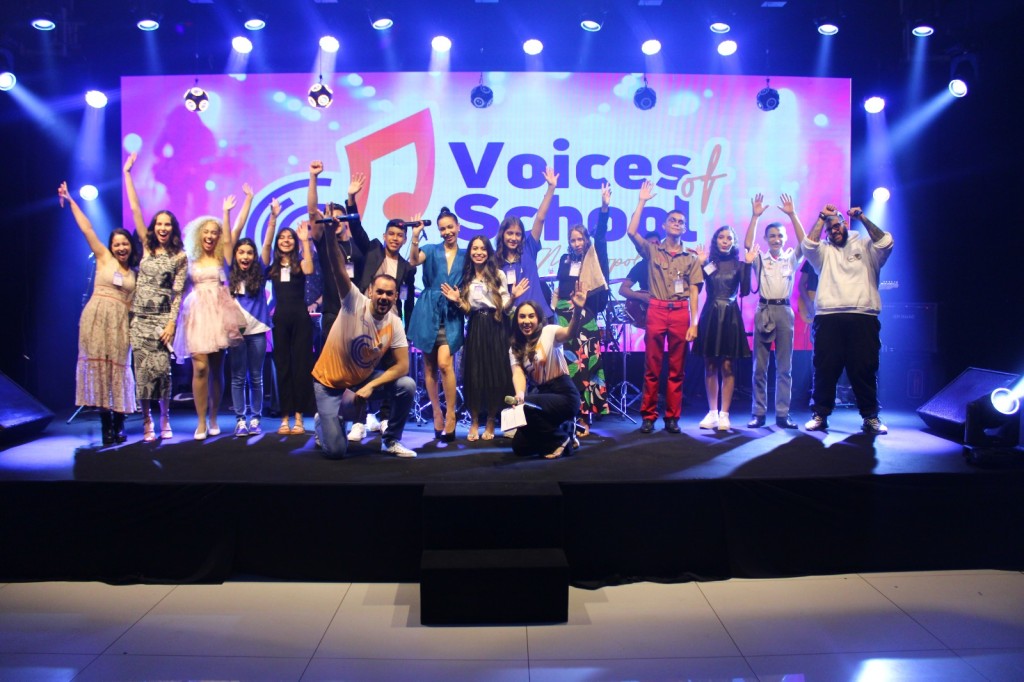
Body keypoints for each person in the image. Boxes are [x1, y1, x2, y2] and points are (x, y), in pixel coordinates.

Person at [311, 219, 418, 459]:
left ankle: (390, 440)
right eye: (379, 292)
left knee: (406, 385)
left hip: (360, 380)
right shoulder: (353, 302)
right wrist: (330, 236)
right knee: (337, 452)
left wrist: (371, 386)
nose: (384, 297)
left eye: (389, 293)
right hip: (330, 383)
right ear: (370, 291)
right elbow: (337, 267)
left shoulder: (394, 322)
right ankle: (324, 421)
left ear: (395, 297)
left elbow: (402, 366)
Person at [802, 204, 894, 434]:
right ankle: (820, 415)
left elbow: (885, 242)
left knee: (864, 369)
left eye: (837, 225)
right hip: (829, 316)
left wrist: (862, 217)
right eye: (829, 228)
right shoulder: (823, 251)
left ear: (845, 223)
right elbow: (808, 245)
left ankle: (870, 417)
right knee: (824, 369)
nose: (833, 231)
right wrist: (822, 217)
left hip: (862, 315)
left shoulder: (865, 245)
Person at [60, 181, 139, 445]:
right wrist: (71, 201)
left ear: (131, 246)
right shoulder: (104, 258)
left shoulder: (134, 274)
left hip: (120, 323)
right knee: (101, 370)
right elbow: (87, 228)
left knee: (119, 369)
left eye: (125, 244)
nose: (121, 248)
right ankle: (106, 424)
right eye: (117, 244)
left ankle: (119, 422)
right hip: (96, 317)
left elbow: (132, 304)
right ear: (111, 246)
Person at [626, 180, 703, 434]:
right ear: (665, 225)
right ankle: (648, 416)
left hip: (680, 311)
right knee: (652, 366)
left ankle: (672, 417)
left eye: (681, 222)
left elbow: (694, 291)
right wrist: (642, 201)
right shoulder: (653, 251)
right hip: (657, 310)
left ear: (684, 228)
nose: (677, 224)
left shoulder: (691, 258)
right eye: (673, 220)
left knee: (677, 369)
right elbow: (631, 231)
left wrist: (694, 323)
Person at [123, 152, 187, 442]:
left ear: (173, 228)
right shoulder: (147, 249)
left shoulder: (180, 256)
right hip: (140, 319)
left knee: (162, 372)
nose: (162, 228)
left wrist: (172, 324)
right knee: (142, 372)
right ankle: (146, 420)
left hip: (162, 320)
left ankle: (165, 417)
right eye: (159, 224)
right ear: (153, 227)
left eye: (167, 225)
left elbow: (177, 294)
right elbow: (135, 208)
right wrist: (127, 174)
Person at [344, 191, 418, 442]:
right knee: (360, 371)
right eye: (392, 234)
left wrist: (408, 328)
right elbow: (356, 228)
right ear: (385, 236)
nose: (395, 238)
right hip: (364, 320)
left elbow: (408, 299)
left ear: (404, 239)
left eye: (400, 235)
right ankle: (358, 421)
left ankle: (385, 418)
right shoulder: (374, 249)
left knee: (390, 370)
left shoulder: (406, 267)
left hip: (391, 324)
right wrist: (351, 200)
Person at [173, 198, 245, 439]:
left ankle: (214, 417)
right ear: (198, 234)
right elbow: (180, 288)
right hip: (196, 313)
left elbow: (235, 231)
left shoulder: (221, 256)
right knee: (200, 367)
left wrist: (230, 211)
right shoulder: (189, 258)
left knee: (216, 368)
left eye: (214, 232)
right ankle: (201, 421)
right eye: (206, 231)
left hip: (218, 312)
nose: (210, 235)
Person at [552, 183, 612, 434]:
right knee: (567, 368)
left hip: (586, 318)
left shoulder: (594, 256)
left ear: (586, 239)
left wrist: (604, 208)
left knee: (585, 367)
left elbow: (601, 235)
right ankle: (568, 415)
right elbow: (560, 288)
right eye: (573, 239)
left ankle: (585, 418)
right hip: (564, 318)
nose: (577, 243)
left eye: (580, 239)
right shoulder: (565, 260)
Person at [440, 236, 514, 440]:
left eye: (483, 249)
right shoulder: (466, 276)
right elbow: (467, 309)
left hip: (496, 325)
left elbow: (505, 306)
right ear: (470, 252)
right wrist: (457, 301)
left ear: (488, 252)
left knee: (494, 375)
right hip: (475, 325)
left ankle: (490, 421)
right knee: (474, 375)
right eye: (475, 248)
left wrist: (514, 297)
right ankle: (474, 422)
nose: (479, 252)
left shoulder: (498, 274)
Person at [745, 193, 806, 429]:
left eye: (780, 235)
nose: (776, 239)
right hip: (764, 310)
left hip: (784, 311)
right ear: (766, 239)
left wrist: (792, 214)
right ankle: (758, 413)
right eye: (772, 236)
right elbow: (748, 244)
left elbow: (805, 244)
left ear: (785, 238)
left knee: (784, 368)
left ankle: (782, 414)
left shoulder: (791, 258)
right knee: (759, 367)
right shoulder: (759, 258)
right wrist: (755, 216)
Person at [406, 207, 466, 441]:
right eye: (442, 228)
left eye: (450, 227)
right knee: (429, 367)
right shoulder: (430, 249)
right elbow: (413, 261)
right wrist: (415, 236)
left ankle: (451, 414)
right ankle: (436, 412)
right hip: (428, 310)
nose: (447, 232)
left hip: (451, 313)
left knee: (444, 363)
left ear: (458, 227)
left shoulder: (466, 255)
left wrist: (461, 299)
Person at [508, 291, 587, 459]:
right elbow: (518, 374)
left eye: (531, 316)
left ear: (538, 318)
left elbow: (569, 333)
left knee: (527, 406)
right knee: (519, 447)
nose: (526, 321)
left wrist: (578, 311)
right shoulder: (515, 348)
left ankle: (560, 440)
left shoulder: (549, 332)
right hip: (543, 395)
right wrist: (520, 395)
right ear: (517, 320)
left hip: (564, 394)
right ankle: (566, 429)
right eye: (522, 317)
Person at [693, 226, 755, 431]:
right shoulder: (709, 263)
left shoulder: (739, 265)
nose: (725, 241)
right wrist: (701, 264)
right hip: (710, 314)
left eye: (729, 238)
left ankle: (724, 414)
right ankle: (712, 413)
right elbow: (697, 287)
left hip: (730, 316)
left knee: (728, 366)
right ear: (716, 240)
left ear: (734, 242)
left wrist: (749, 264)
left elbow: (745, 291)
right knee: (710, 365)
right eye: (721, 237)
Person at [261, 209, 316, 435]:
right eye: (282, 238)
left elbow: (310, 269)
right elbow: (265, 247)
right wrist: (273, 220)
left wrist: (305, 241)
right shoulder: (272, 266)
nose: (286, 240)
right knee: (282, 367)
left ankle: (299, 417)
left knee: (300, 367)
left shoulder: (300, 262)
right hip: (280, 319)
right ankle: (284, 417)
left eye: (289, 237)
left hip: (301, 318)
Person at [224, 184, 267, 437]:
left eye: (249, 252)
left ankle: (255, 419)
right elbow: (231, 235)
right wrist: (229, 212)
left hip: (258, 331)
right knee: (238, 377)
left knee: (256, 377)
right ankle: (240, 419)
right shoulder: (229, 268)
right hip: (235, 331)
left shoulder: (260, 270)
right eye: (241, 252)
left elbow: (268, 242)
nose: (245, 256)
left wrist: (273, 218)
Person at [307, 161, 365, 348]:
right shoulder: (325, 243)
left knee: (357, 358)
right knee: (334, 359)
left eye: (339, 217)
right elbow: (312, 213)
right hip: (333, 311)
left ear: (346, 220)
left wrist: (351, 197)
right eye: (331, 218)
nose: (335, 221)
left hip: (358, 311)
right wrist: (313, 177)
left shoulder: (357, 244)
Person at [493, 167, 556, 321]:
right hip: (513, 319)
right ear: (502, 234)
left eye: (518, 234)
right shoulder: (495, 260)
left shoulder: (528, 249)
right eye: (510, 233)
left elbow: (540, 218)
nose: (513, 238)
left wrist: (551, 188)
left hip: (539, 316)